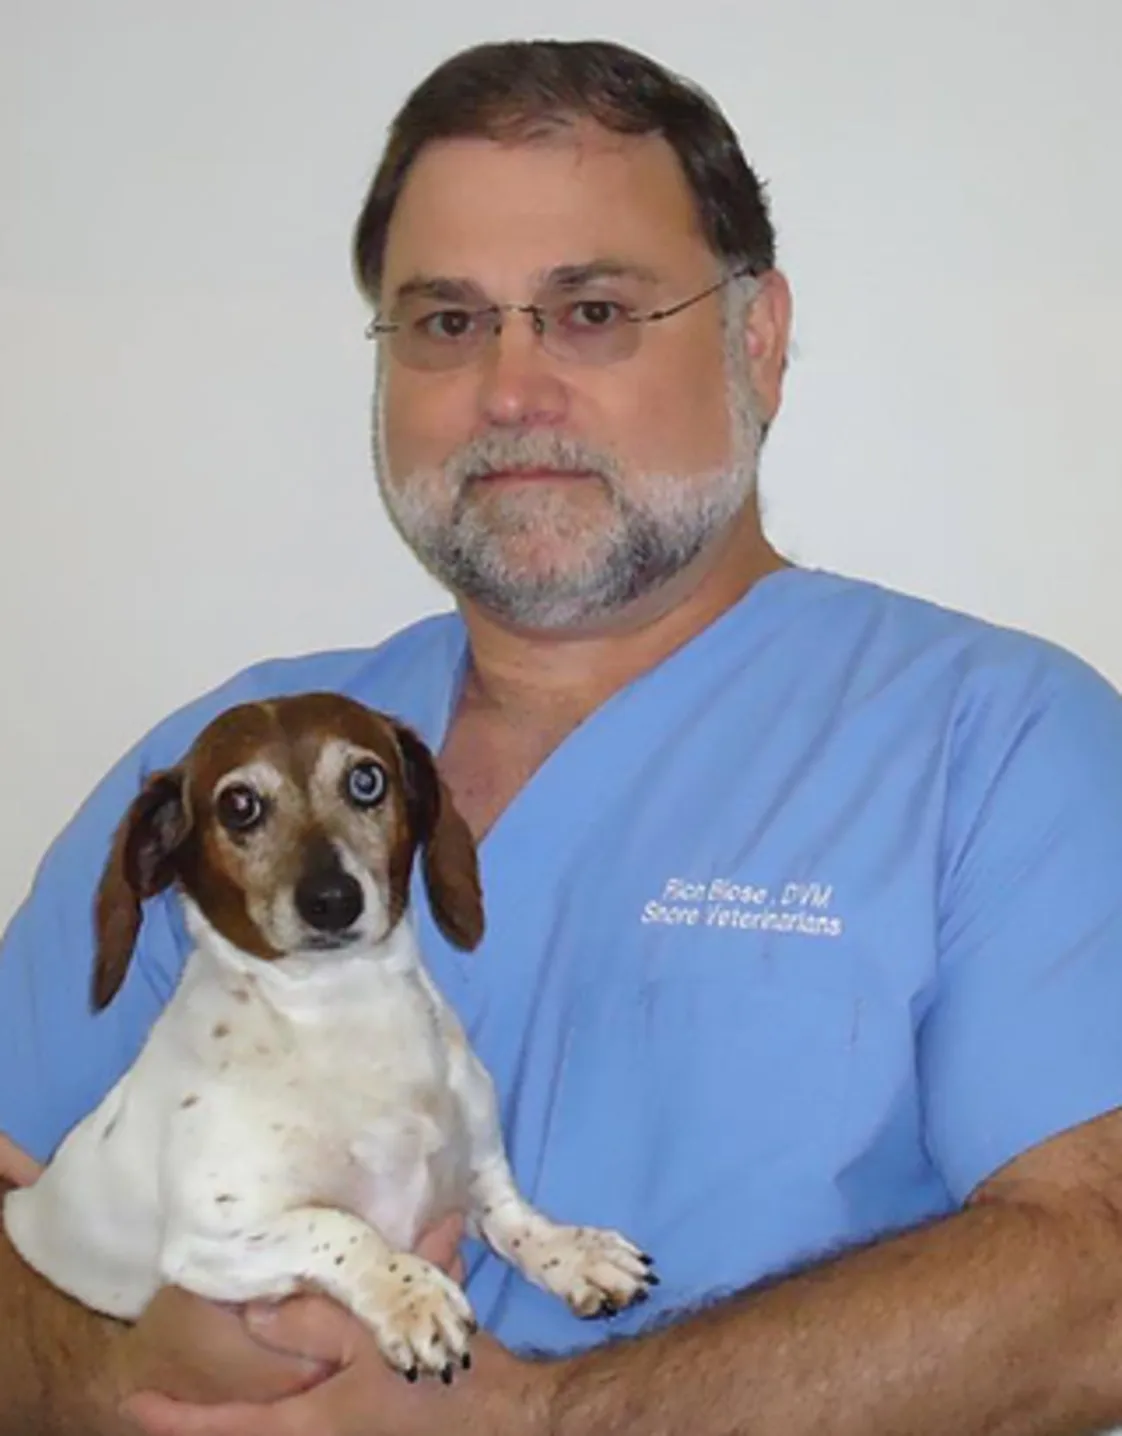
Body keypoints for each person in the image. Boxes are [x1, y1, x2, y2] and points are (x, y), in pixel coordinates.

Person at [4, 34, 1122, 1436]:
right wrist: (102, 1366)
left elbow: (1098, 1285)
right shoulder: (229, 765)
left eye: (590, 311)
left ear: (755, 338)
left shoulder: (998, 746)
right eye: (447, 322)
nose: (509, 390)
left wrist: (539, 1422)